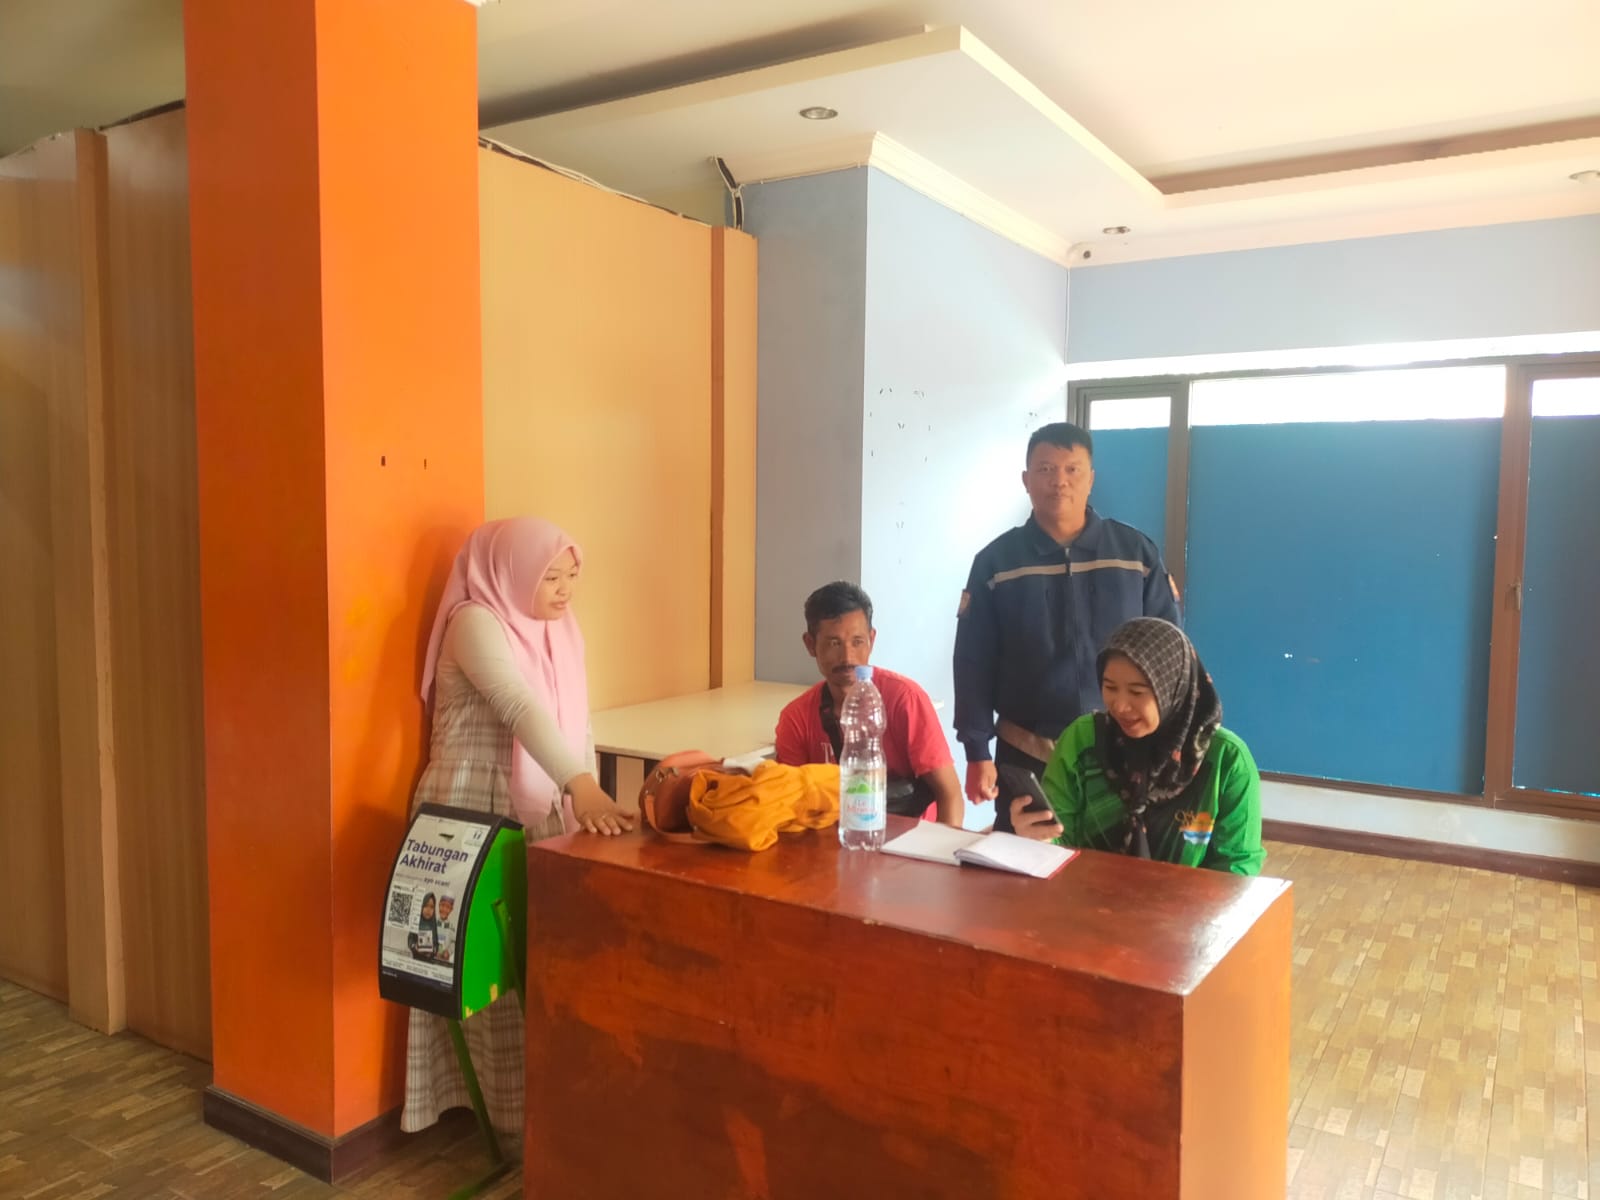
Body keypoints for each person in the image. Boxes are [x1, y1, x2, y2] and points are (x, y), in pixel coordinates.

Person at [401, 517, 634, 1149]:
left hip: (543, 806)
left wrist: (582, 796)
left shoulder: (561, 631)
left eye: (571, 576)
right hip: (472, 812)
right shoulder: (475, 621)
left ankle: (542, 1116)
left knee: (538, 964)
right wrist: (580, 784)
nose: (564, 590)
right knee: (485, 973)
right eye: (550, 577)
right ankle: (505, 1125)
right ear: (510, 572)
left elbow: (575, 721)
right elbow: (517, 705)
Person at [954, 421, 1179, 832]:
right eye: (1045, 469)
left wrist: (1170, 735)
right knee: (1025, 857)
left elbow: (1170, 654)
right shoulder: (996, 562)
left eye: (1072, 469)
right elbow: (972, 662)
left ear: (1091, 479)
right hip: (1027, 751)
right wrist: (976, 750)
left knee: (1121, 858)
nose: (1059, 481)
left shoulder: (1135, 554)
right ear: (1026, 480)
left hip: (1124, 747)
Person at [1008, 617, 1264, 875]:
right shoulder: (1083, 739)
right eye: (1110, 687)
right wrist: (1039, 837)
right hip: (1087, 892)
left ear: (1172, 690)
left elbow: (1237, 869)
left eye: (1137, 692)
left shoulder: (1226, 760)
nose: (1120, 706)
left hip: (1189, 901)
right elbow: (1061, 842)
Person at [775, 582, 964, 826]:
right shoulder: (796, 717)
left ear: (871, 640)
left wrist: (945, 849)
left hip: (912, 840)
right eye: (834, 643)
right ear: (810, 644)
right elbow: (788, 805)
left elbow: (950, 794)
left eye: (857, 642)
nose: (847, 657)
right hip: (836, 841)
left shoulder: (905, 699)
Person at [407, 893, 439, 961]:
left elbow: (436, 945)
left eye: (432, 907)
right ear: (421, 906)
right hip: (415, 960)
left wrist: (432, 950)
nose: (428, 910)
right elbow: (410, 941)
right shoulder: (416, 922)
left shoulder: (433, 925)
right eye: (426, 906)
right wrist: (415, 946)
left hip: (429, 962)